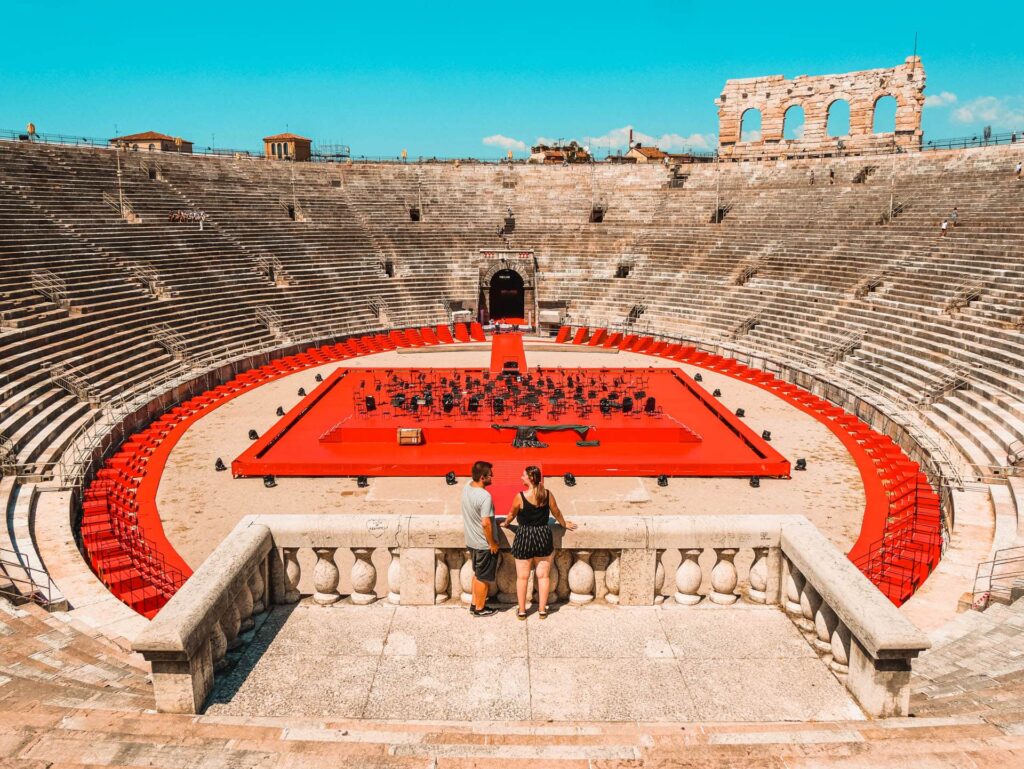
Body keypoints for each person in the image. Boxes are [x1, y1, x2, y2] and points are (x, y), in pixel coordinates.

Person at [503, 466, 576, 619]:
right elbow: (556, 512)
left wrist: (506, 523)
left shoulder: (520, 497)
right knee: (543, 576)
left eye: (523, 475)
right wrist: (563, 524)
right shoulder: (547, 494)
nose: (521, 477)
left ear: (530, 478)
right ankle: (542, 610)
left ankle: (522, 611)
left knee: (522, 577)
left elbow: (511, 514)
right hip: (543, 535)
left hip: (524, 536)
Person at [462, 460, 499, 616]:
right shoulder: (485, 496)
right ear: (483, 477)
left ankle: (474, 604)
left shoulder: (467, 485)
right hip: (483, 545)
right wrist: (493, 544)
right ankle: (480, 609)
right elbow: (486, 524)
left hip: (471, 541)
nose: (493, 476)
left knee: (477, 575)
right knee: (483, 578)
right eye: (490, 475)